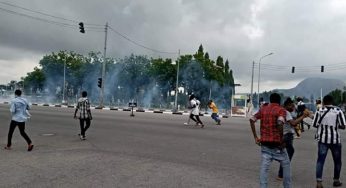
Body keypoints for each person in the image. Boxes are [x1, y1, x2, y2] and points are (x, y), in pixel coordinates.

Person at [250, 93, 291, 188]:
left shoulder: (263, 109)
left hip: (265, 144)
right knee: (286, 166)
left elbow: (252, 120)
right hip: (277, 145)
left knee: (264, 170)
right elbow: (280, 122)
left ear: (271, 100)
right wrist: (282, 140)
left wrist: (256, 137)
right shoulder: (281, 110)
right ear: (279, 101)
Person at [312, 95, 346, 188]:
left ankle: (319, 183)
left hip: (322, 140)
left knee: (320, 161)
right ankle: (336, 181)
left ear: (323, 101)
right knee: (337, 161)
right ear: (332, 101)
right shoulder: (338, 111)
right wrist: (334, 125)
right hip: (335, 140)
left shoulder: (319, 110)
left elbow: (315, 125)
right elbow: (343, 126)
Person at [277, 97, 310, 180]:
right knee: (288, 153)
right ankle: (281, 174)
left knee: (286, 153)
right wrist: (303, 116)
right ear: (287, 105)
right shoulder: (286, 112)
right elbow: (293, 123)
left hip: (284, 134)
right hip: (287, 135)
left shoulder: (281, 111)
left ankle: (281, 173)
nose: (293, 107)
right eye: (291, 106)